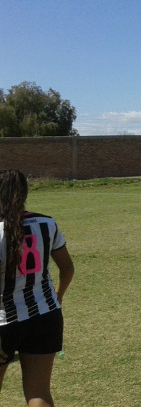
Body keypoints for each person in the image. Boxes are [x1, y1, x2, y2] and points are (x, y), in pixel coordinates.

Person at [0, 169, 75, 407]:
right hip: (46, 316)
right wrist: (58, 296)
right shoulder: (47, 223)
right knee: (38, 392)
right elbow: (67, 269)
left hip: (4, 321)